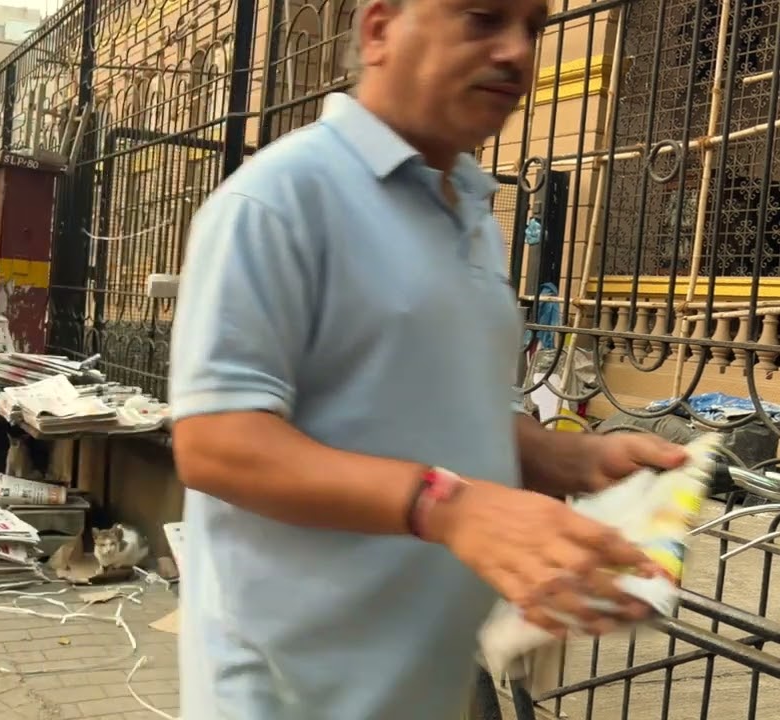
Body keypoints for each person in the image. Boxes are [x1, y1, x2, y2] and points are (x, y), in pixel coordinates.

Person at [167, 1, 688, 718]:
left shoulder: (472, 210)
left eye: (532, 29)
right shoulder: (278, 200)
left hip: (425, 685)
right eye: (482, 18)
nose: (516, 52)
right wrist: (450, 507)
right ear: (379, 30)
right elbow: (217, 446)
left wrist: (567, 459)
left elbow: (423, 403)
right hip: (294, 693)